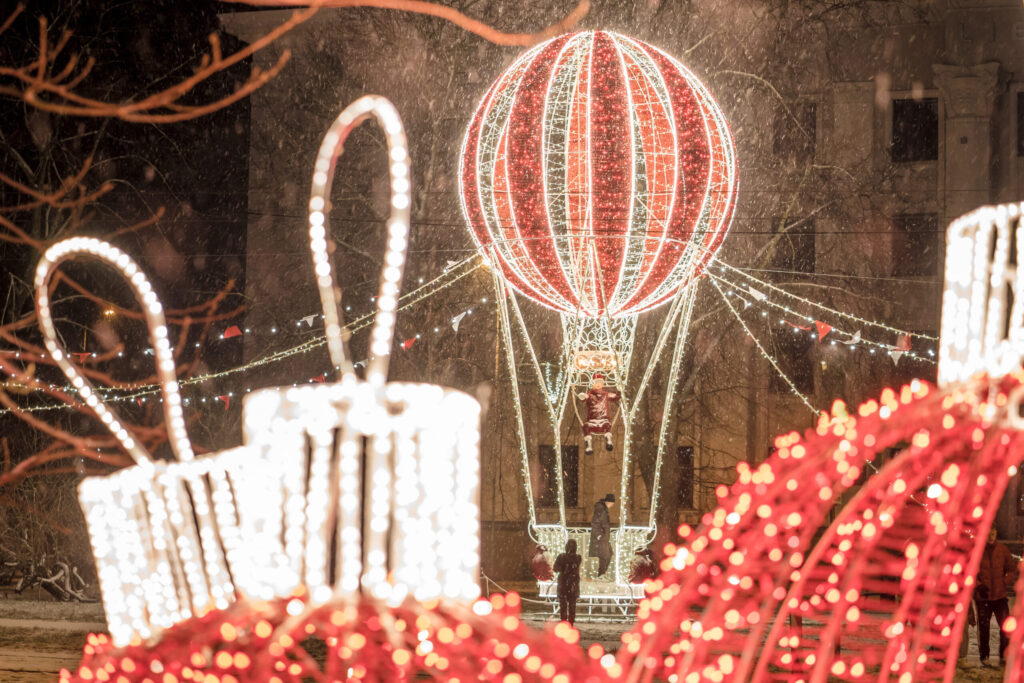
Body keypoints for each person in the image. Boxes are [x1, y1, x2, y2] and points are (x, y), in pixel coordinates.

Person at [975, 527, 1016, 666]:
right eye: (988, 534)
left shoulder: (1003, 550)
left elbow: (1011, 569)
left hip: (1000, 596)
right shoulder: (978, 551)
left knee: (1005, 627)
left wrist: (1004, 582)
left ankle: (1004, 654)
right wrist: (978, 585)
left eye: (993, 533)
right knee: (984, 627)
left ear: (996, 533)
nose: (991, 536)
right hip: (984, 596)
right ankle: (984, 656)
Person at [576, 374, 620, 455]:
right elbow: (584, 397)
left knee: (607, 425)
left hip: (604, 420)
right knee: (586, 427)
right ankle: (588, 445)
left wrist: (619, 390)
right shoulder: (590, 395)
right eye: (596, 382)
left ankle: (609, 441)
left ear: (603, 384)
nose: (598, 384)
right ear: (593, 384)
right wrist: (582, 395)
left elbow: (616, 397)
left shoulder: (606, 395)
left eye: (600, 382)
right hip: (592, 421)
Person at [553, 538, 582, 625]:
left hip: (563, 583)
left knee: (563, 604)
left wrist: (563, 568)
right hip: (573, 584)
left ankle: (564, 621)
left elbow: (555, 568)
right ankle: (571, 622)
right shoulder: (578, 558)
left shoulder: (561, 557)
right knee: (572, 604)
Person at [589, 493, 614, 576]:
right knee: (605, 556)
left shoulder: (602, 509)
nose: (612, 505)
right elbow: (595, 523)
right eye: (612, 503)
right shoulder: (601, 509)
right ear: (608, 502)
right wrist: (599, 536)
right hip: (601, 538)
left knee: (606, 556)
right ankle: (601, 575)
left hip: (603, 538)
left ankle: (602, 574)